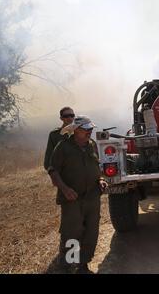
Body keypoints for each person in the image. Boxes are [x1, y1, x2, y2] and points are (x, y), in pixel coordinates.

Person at [47, 115, 108, 274]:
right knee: (72, 232)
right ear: (75, 130)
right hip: (72, 198)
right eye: (86, 129)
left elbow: (97, 167)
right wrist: (65, 189)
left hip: (92, 197)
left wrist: (101, 179)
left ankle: (83, 265)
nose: (89, 131)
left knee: (91, 232)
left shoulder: (92, 145)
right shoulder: (63, 147)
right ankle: (68, 266)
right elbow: (53, 170)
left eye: (91, 129)